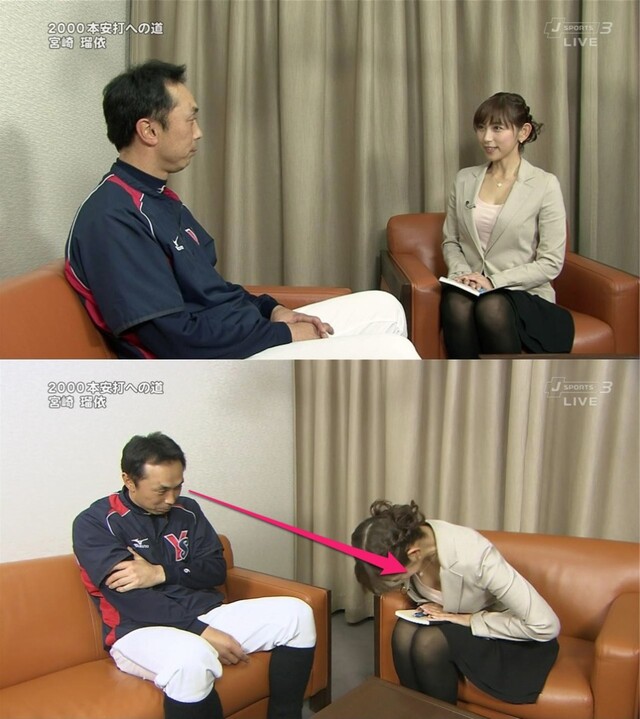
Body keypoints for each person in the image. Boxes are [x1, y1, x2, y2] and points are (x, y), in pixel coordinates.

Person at [64, 60, 419, 360]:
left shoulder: (159, 199)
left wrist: (272, 310)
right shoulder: (114, 217)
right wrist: (284, 335)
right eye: (190, 120)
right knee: (396, 351)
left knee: (384, 307)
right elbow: (174, 339)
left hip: (242, 334)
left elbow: (212, 290)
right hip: (213, 365)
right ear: (150, 130)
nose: (199, 133)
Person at [72, 432, 316, 719]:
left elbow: (215, 569)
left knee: (296, 614)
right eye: (161, 490)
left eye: (177, 487)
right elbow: (132, 600)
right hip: (138, 629)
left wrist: (161, 572)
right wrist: (199, 631)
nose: (171, 498)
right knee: (192, 659)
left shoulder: (188, 510)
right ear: (129, 480)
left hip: (205, 611)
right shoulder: (95, 523)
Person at [351, 500, 560, 706]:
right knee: (403, 633)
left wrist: (467, 619)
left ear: (414, 554)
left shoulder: (477, 556)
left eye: (396, 579)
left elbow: (546, 626)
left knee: (428, 643)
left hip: (506, 635)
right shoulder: (406, 540)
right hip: (453, 618)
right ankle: (416, 712)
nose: (398, 583)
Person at [440, 92, 575, 358]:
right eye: (481, 127)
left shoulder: (545, 185)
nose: (486, 137)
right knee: (455, 302)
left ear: (523, 132)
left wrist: (493, 281)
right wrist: (463, 275)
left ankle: (507, 384)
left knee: (491, 307)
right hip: (471, 287)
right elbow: (451, 240)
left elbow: (550, 262)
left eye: (497, 128)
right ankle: (465, 383)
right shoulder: (464, 179)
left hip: (523, 293)